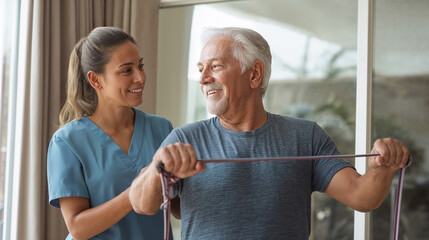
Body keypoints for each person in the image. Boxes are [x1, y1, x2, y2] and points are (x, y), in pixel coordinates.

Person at [129, 27, 410, 239]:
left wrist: (381, 169)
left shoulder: (305, 136)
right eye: (201, 69)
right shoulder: (185, 139)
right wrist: (157, 170)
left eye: (215, 66)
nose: (203, 79)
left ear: (254, 75)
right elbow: (142, 203)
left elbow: (362, 196)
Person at [47, 26, 173, 240]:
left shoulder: (161, 129)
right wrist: (134, 193)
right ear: (95, 80)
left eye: (140, 66)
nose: (140, 77)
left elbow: (177, 205)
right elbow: (77, 227)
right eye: (127, 70)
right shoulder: (67, 142)